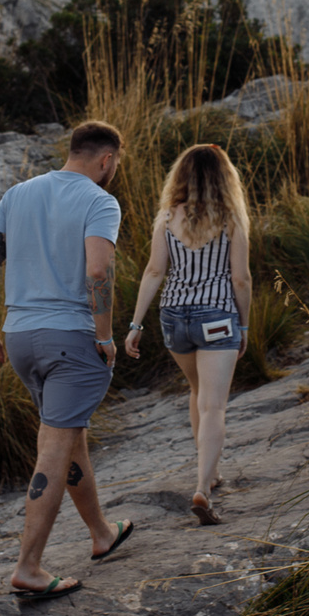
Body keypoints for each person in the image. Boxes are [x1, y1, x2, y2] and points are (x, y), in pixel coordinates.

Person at [0, 121, 135, 600]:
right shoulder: (100, 201)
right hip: (71, 341)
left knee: (69, 435)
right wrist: (104, 335)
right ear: (106, 160)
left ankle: (101, 533)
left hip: (21, 338)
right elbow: (99, 269)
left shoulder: (16, 194)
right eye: (115, 165)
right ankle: (28, 567)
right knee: (55, 443)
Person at [122, 143, 254, 525]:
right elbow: (241, 279)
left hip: (173, 317)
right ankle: (202, 485)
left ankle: (210, 473)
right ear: (224, 177)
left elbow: (152, 272)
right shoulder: (231, 219)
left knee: (197, 393)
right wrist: (243, 325)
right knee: (214, 405)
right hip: (217, 316)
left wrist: (135, 325)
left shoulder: (166, 217)